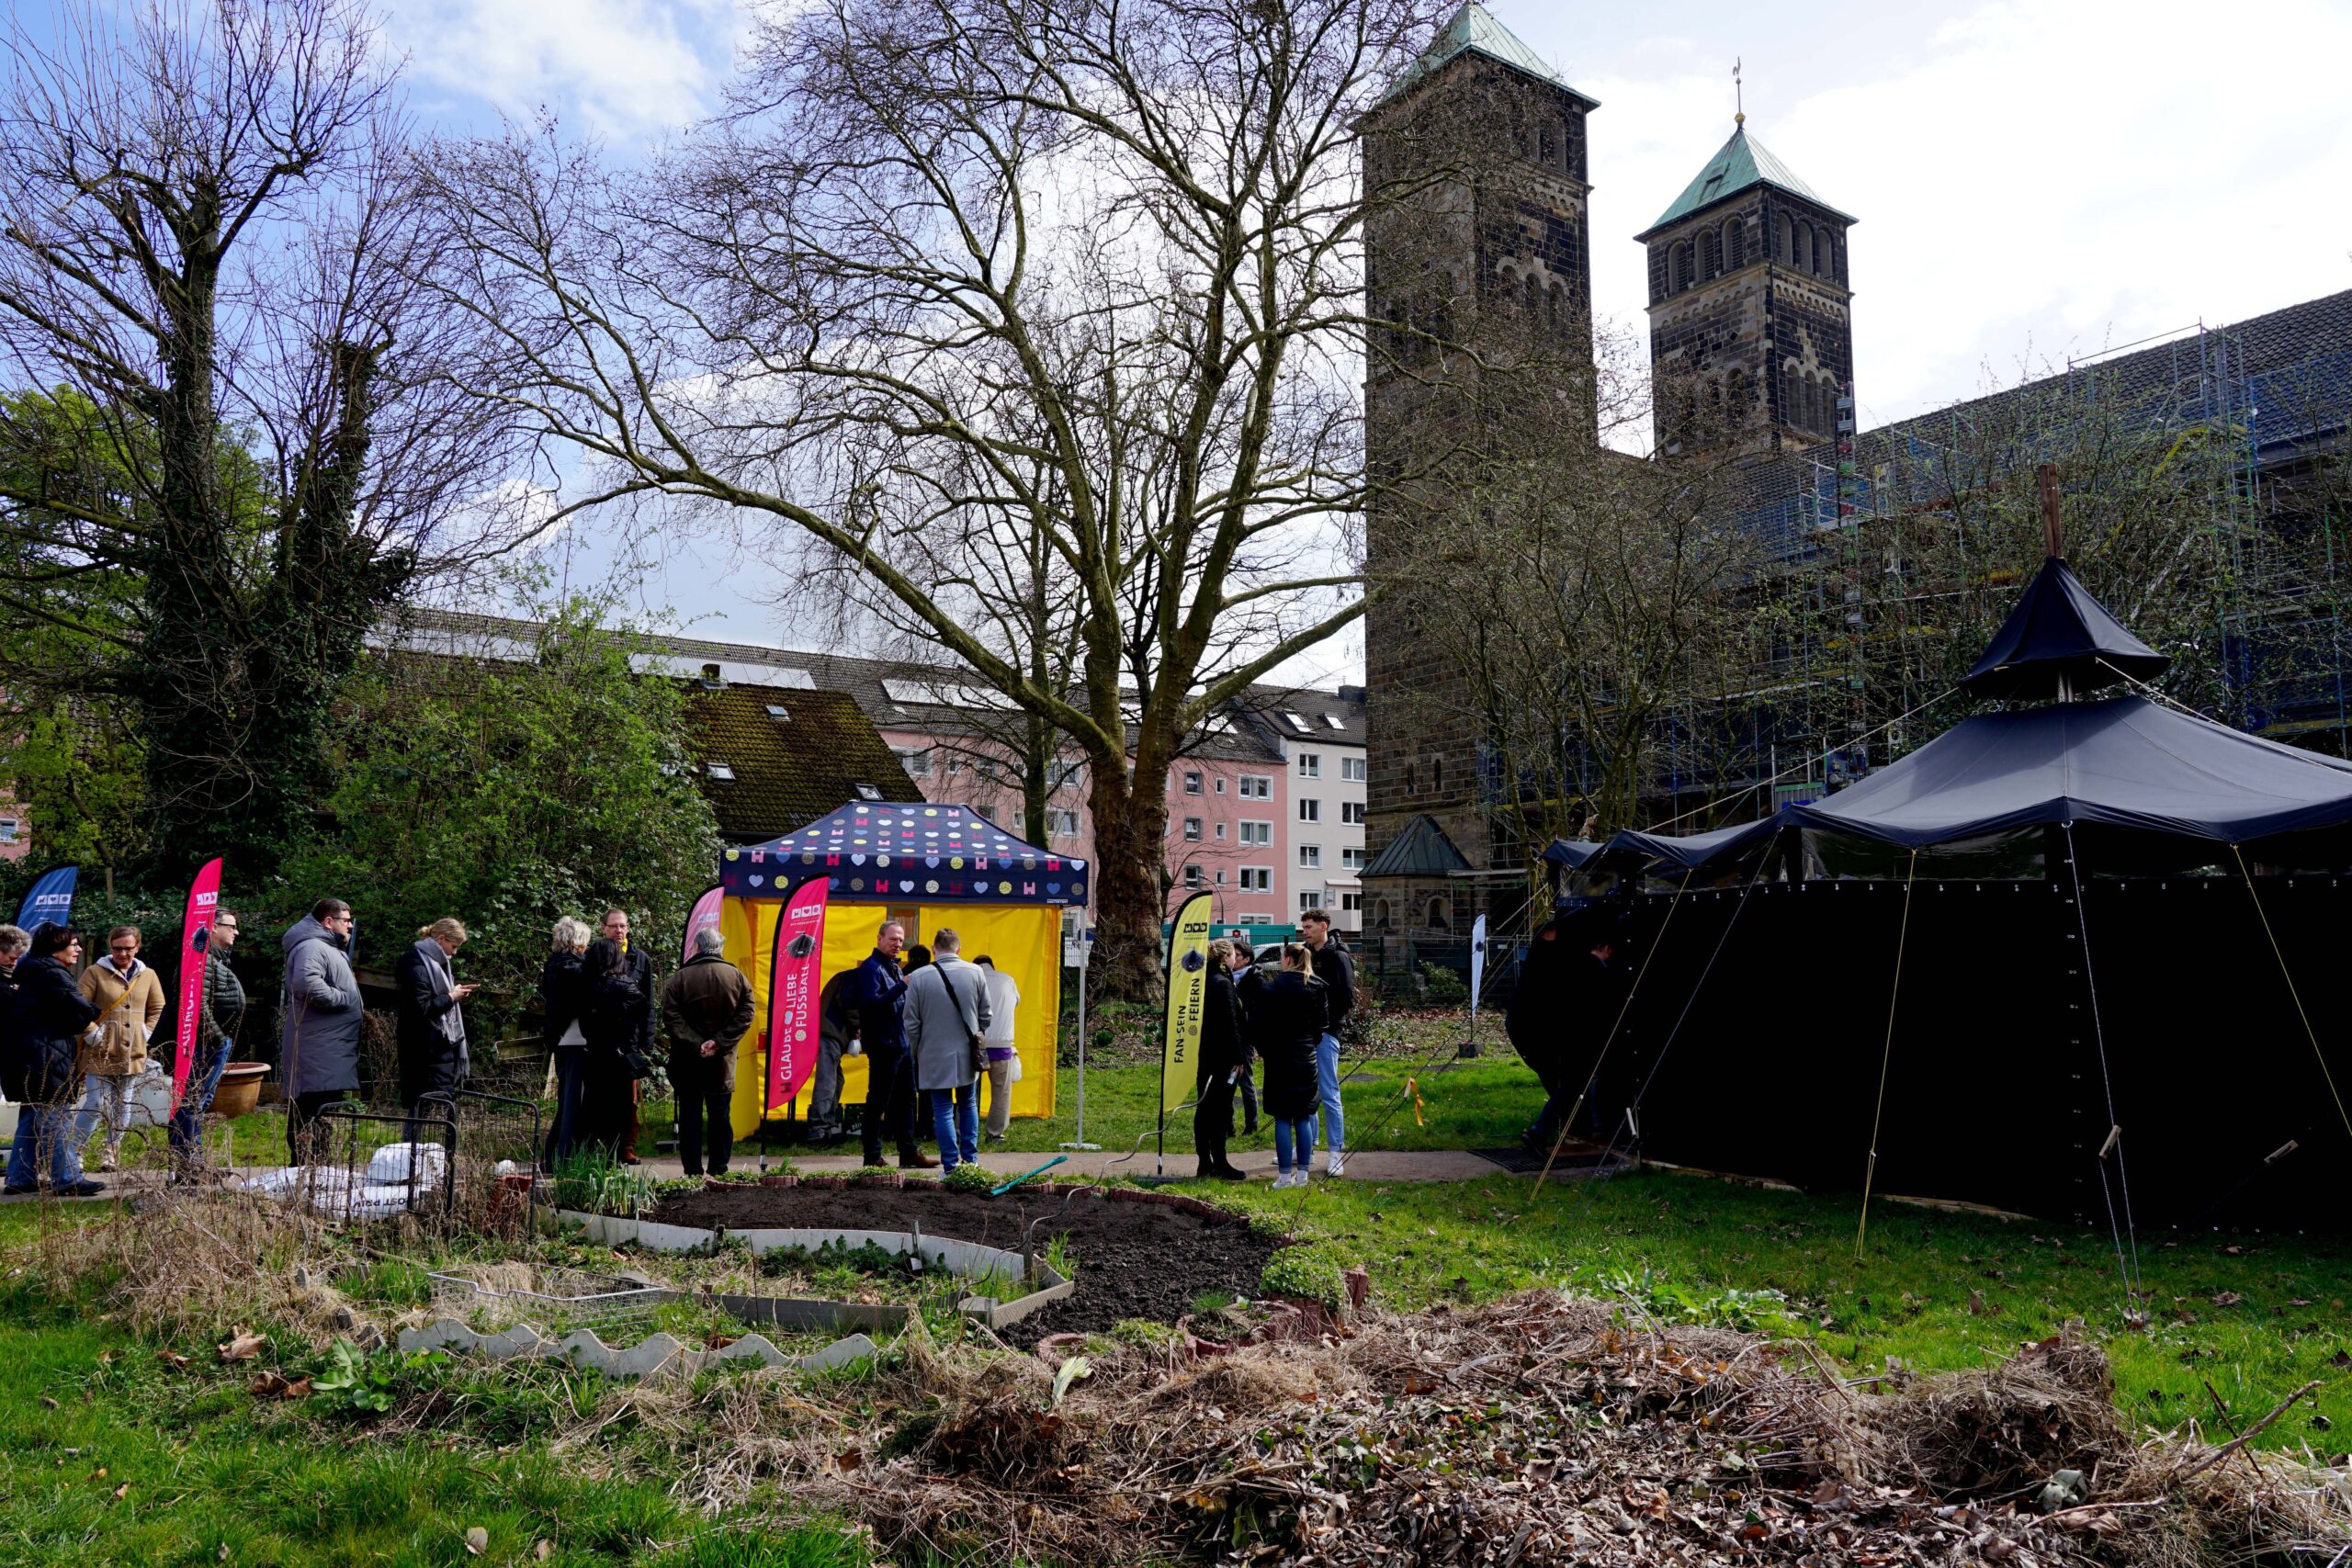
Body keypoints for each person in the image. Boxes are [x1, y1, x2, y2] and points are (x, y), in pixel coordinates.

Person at [4, 925, 106, 1195]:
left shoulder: (30, 970)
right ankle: (67, 1178)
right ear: (55, 948)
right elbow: (82, 1008)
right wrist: (94, 1011)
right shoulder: (53, 973)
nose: (78, 949)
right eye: (73, 944)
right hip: (46, 1056)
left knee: (32, 1116)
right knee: (55, 1117)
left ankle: (20, 1177)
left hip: (28, 1054)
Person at [661, 927, 756, 1177]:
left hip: (687, 1059)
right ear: (720, 948)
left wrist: (697, 1043)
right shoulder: (736, 976)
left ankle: (692, 1171)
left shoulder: (680, 978)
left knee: (690, 1115)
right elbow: (747, 1014)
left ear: (697, 947)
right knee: (720, 1115)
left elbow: (671, 1016)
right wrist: (718, 1042)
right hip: (722, 1060)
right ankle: (719, 1168)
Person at [74, 924, 166, 1172]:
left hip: (132, 1051)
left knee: (123, 1104)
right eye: (117, 948)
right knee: (95, 1103)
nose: (122, 953)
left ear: (137, 947)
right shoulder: (95, 972)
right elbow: (78, 1007)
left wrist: (145, 1032)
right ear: (110, 947)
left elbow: (157, 1007)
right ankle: (75, 1152)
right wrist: (93, 1034)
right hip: (100, 1051)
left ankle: (111, 1153)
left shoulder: (148, 975)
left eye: (128, 948)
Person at [282, 899, 365, 1164]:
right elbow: (306, 983)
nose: (350, 925)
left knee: (321, 1111)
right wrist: (344, 999)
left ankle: (316, 1167)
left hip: (327, 1047)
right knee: (310, 1109)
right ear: (329, 922)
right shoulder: (312, 946)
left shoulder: (327, 948)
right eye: (346, 920)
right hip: (317, 1048)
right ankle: (305, 1169)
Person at [167, 908, 246, 1176]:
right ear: (212, 927)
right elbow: (194, 1002)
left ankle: (192, 1163)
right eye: (231, 926)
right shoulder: (200, 958)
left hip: (210, 1042)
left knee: (196, 1101)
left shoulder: (212, 958)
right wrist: (217, 1038)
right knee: (192, 1101)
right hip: (204, 1044)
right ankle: (189, 1165)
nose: (236, 932)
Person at [904, 927, 990, 1174]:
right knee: (968, 1103)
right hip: (968, 1052)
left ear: (934, 949)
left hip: (932, 1053)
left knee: (942, 1109)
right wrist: (976, 1033)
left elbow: (911, 1022)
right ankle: (971, 1161)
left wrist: (917, 1050)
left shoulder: (918, 977)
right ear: (959, 948)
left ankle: (950, 1166)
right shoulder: (976, 972)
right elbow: (986, 1014)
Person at [854, 920, 933, 1168]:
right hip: (883, 1045)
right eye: (892, 939)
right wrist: (902, 985)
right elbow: (871, 1004)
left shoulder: (895, 968)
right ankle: (872, 1156)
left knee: (908, 1098)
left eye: (900, 940)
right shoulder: (871, 968)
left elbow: (901, 1003)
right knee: (878, 1101)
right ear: (879, 938)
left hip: (902, 1042)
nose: (898, 944)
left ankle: (908, 1151)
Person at [1250, 943, 1328, 1189]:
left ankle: (1284, 1176)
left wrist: (1266, 1049)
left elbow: (1257, 1024)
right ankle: (1303, 1175)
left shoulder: (1272, 987)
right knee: (1303, 1116)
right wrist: (1310, 1043)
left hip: (1278, 1056)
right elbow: (1322, 1025)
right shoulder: (1317, 986)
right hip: (1305, 1056)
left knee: (1282, 1117)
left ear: (1288, 959)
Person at [396, 918, 478, 1136]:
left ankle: (417, 1150)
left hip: (434, 1047)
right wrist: (451, 997)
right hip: (423, 1047)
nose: (455, 952)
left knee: (425, 1106)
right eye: (454, 946)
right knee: (422, 1105)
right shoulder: (417, 966)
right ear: (441, 939)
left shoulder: (433, 963)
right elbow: (420, 1009)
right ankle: (412, 1151)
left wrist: (453, 993)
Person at [579, 933, 652, 1159]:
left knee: (594, 1104)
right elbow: (644, 1007)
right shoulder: (624, 984)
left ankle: (591, 1152)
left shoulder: (584, 984)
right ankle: (616, 1155)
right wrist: (620, 1016)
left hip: (593, 1051)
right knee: (620, 1106)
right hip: (620, 1053)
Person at [594, 908, 656, 1163]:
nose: (619, 931)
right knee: (602, 1097)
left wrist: (646, 1041)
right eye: (614, 926)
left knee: (628, 1100)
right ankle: (602, 1146)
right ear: (603, 928)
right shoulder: (595, 956)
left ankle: (627, 1147)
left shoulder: (640, 958)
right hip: (601, 1039)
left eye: (623, 926)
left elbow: (648, 1002)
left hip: (630, 1039)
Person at [1297, 908, 1355, 1176]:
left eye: (1309, 927)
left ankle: (1335, 1153)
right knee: (1308, 1091)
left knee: (1329, 1092)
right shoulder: (1308, 954)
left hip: (1327, 1032)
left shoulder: (1338, 955)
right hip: (1307, 1033)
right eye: (1303, 927)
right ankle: (1307, 1148)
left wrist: (1324, 1024)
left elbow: (1346, 997)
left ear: (1323, 926)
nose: (1305, 932)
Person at [1192, 939, 1250, 1181]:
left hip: (1206, 1053)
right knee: (1220, 1109)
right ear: (1226, 958)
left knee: (1205, 1107)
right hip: (1223, 1056)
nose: (1236, 958)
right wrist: (1239, 1057)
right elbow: (1231, 1022)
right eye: (1233, 955)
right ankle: (1220, 1161)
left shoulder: (1203, 979)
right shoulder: (1223, 983)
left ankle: (1205, 1162)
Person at [540, 917, 594, 1162]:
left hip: (561, 1039)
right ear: (578, 942)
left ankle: (553, 1155)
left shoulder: (554, 964)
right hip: (575, 1039)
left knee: (567, 1101)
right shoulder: (574, 969)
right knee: (573, 1102)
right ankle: (562, 1157)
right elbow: (580, 1003)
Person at [806, 967, 861, 1145]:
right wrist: (857, 1027)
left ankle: (826, 1129)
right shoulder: (855, 977)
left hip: (829, 1031)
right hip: (830, 1032)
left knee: (836, 1080)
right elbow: (848, 1004)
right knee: (827, 1081)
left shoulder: (847, 976)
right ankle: (818, 1132)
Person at [972, 955, 1021, 1142]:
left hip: (976, 1043)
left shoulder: (973, 980)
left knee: (968, 1090)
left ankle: (962, 1131)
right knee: (1001, 1092)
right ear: (993, 966)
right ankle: (995, 1133)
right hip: (1002, 1045)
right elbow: (1016, 1002)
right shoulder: (1008, 980)